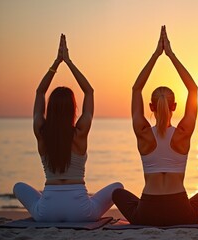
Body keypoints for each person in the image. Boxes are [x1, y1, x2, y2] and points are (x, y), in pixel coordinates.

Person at [13, 34, 123, 222]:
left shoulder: (41, 131)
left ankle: (50, 203)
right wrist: (69, 62)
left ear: (51, 108)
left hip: (46, 212)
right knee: (118, 186)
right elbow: (89, 91)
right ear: (73, 108)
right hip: (81, 212)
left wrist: (56, 64)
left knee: (18, 186)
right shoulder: (80, 132)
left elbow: (40, 92)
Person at [112, 26, 198, 226]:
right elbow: (193, 88)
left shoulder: (142, 132)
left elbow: (136, 88)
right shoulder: (183, 132)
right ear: (174, 106)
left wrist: (156, 55)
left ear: (151, 106)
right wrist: (171, 55)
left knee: (117, 193)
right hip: (181, 211)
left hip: (148, 212)